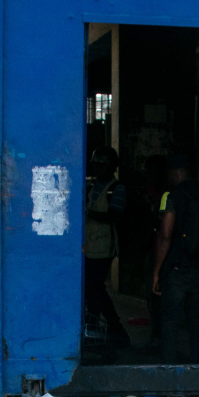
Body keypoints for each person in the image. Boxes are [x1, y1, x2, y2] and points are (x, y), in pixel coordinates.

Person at [151, 154, 199, 364]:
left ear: (175, 173)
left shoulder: (173, 195)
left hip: (178, 267)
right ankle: (196, 364)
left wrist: (157, 271)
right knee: (195, 318)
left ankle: (170, 367)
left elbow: (165, 235)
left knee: (170, 319)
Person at [82, 145, 129, 345]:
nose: (97, 169)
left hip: (103, 247)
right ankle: (92, 327)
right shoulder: (93, 186)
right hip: (90, 246)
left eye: (102, 165)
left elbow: (113, 216)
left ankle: (116, 328)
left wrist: (85, 212)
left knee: (95, 288)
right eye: (95, 164)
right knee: (91, 288)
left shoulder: (117, 188)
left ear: (111, 167)